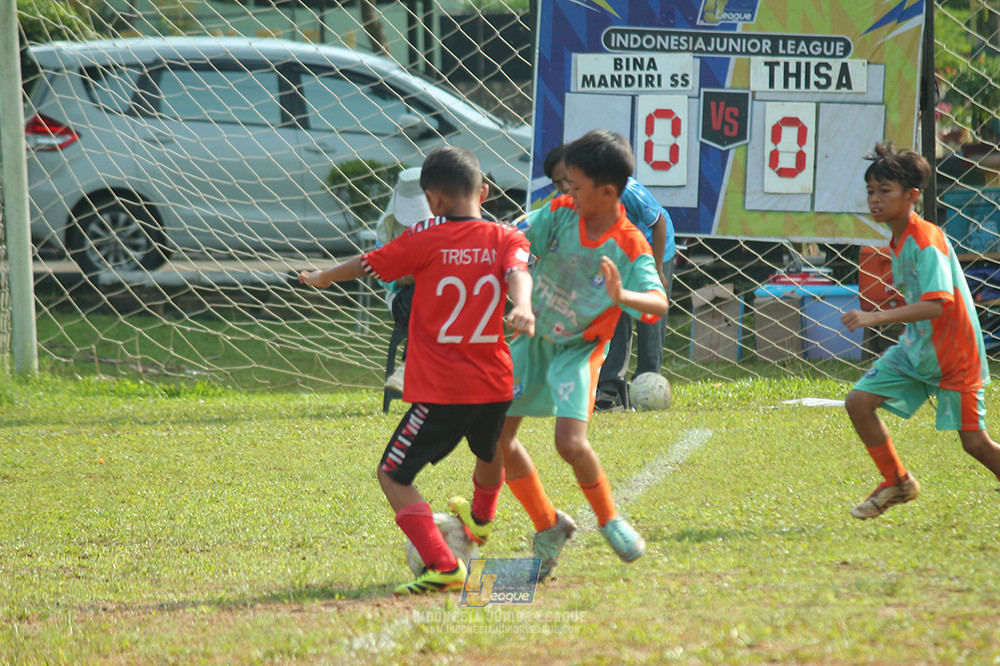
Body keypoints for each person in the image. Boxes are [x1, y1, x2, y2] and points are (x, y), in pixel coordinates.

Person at [299, 146, 535, 594]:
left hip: (444, 390)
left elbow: (368, 264)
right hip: (495, 382)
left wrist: (324, 276)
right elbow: (518, 274)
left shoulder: (424, 237)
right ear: (483, 191)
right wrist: (522, 307)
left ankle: (443, 563)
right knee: (489, 449)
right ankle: (482, 520)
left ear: (434, 200)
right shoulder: (507, 237)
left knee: (392, 475)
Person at [475, 130, 668, 580]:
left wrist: (624, 295)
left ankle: (610, 518)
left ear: (606, 191)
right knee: (496, 438)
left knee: (570, 443)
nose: (566, 193)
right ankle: (548, 525)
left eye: (574, 186)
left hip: (580, 350)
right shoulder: (560, 213)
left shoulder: (630, 245)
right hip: (534, 338)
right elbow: (516, 239)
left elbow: (658, 304)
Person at [840, 141, 1000, 519]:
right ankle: (897, 481)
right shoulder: (898, 238)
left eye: (884, 191)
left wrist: (874, 317)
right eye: (870, 191)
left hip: (955, 354)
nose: (874, 200)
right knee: (859, 403)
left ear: (911, 196)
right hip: (917, 348)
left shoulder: (925, 239)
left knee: (975, 443)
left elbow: (937, 303)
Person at [544, 144, 677, 411]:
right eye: (557, 182)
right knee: (615, 320)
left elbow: (658, 221)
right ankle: (610, 389)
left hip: (650, 254)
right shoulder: (571, 202)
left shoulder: (623, 188)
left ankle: (648, 383)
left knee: (650, 320)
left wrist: (659, 268)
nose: (563, 187)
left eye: (567, 180)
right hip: (615, 260)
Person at [375, 167, 434, 393]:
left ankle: (412, 366)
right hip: (405, 302)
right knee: (420, 287)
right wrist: (402, 278)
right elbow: (380, 273)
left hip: (443, 297)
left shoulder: (446, 224)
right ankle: (412, 365)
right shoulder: (388, 230)